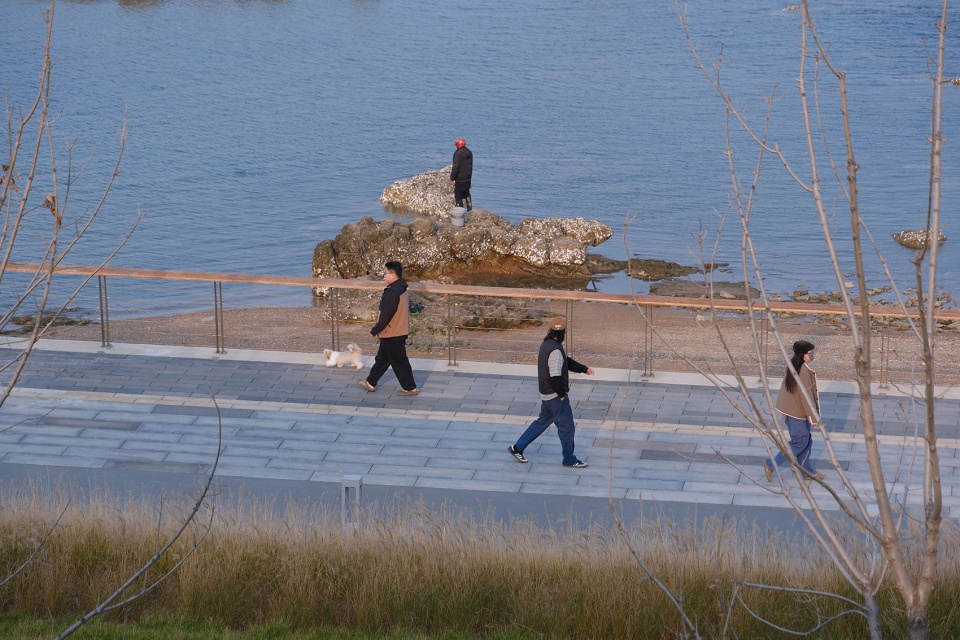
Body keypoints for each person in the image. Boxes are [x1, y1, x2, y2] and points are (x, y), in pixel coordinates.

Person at [508, 317, 594, 468]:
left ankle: (517, 447)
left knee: (542, 422)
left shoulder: (546, 344)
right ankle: (569, 459)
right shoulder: (555, 350)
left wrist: (583, 369)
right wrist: (561, 395)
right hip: (555, 397)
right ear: (564, 332)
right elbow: (555, 375)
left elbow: (565, 361)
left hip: (546, 394)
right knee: (567, 428)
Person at [763, 339, 825, 482]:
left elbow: (787, 388)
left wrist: (784, 407)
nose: (812, 356)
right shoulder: (802, 371)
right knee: (800, 442)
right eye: (810, 353)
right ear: (803, 355)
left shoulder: (795, 366)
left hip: (793, 411)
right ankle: (771, 464)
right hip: (797, 413)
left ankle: (806, 471)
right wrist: (814, 419)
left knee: (806, 441)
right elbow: (806, 396)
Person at [357, 261, 419, 396]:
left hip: (392, 332)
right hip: (397, 330)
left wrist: (375, 330)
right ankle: (371, 382)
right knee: (382, 359)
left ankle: (410, 388)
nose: (384, 276)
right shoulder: (401, 288)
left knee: (400, 362)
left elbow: (386, 315)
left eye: (385, 273)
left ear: (393, 275)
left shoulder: (393, 292)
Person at [449, 137, 473, 211]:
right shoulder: (469, 152)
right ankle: (470, 210)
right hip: (468, 178)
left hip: (460, 180)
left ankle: (460, 212)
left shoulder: (457, 154)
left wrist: (452, 179)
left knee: (458, 197)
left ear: (458, 145)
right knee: (467, 194)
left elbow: (455, 168)